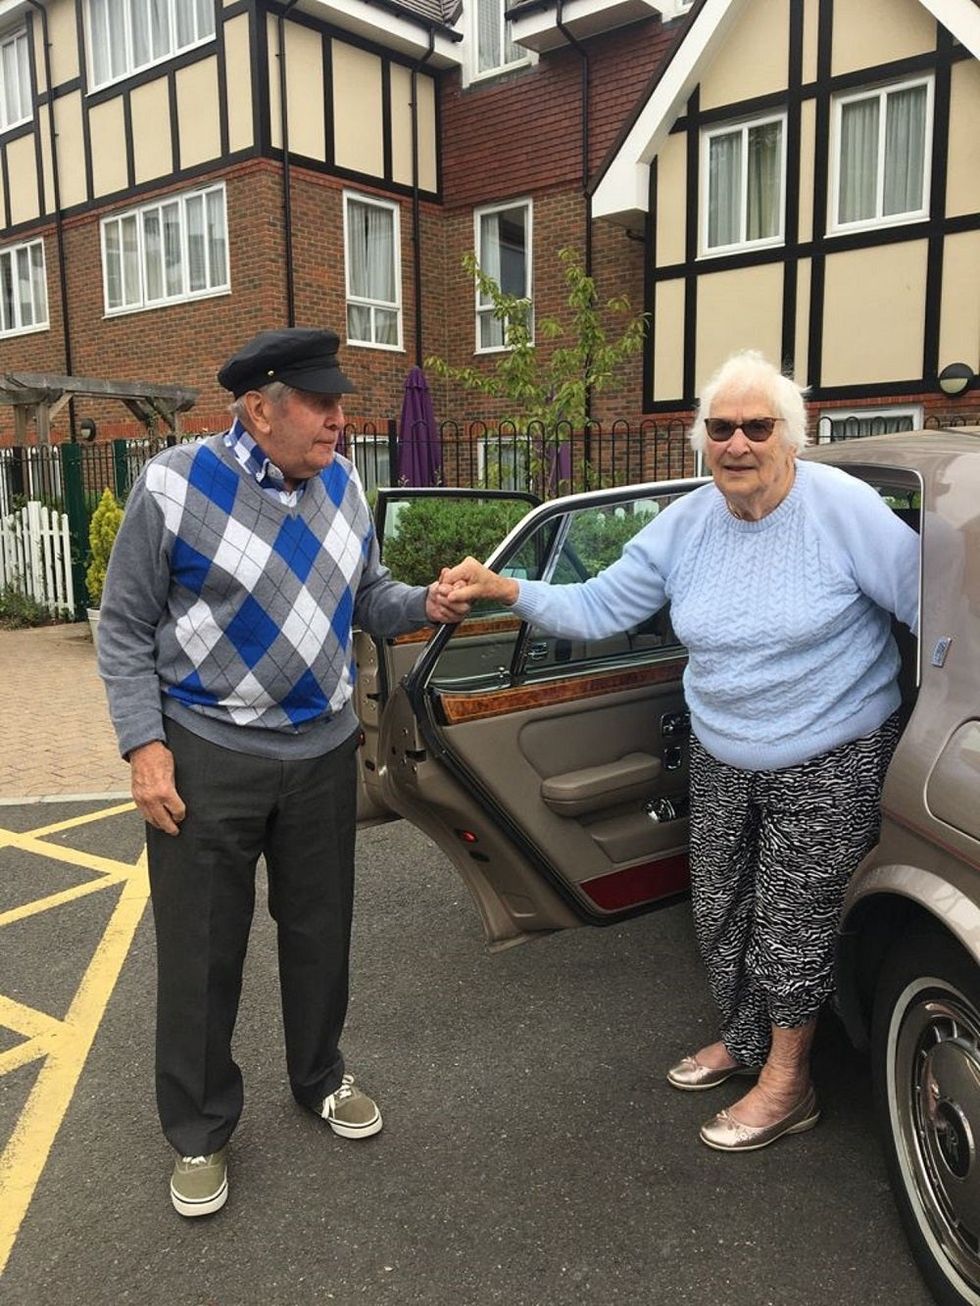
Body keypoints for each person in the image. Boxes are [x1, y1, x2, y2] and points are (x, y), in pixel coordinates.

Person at [441, 349, 919, 1153]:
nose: (737, 443)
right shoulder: (690, 521)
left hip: (831, 749)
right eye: (720, 427)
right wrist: (504, 589)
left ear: (791, 436)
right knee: (722, 903)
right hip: (724, 748)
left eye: (757, 427)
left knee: (792, 921)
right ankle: (745, 1038)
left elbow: (929, 603)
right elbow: (599, 606)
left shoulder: (843, 509)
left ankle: (789, 1081)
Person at [97, 327, 467, 1216]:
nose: (342, 420)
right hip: (206, 753)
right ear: (260, 409)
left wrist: (425, 602)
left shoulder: (343, 484)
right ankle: (198, 1131)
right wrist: (145, 750)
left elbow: (365, 595)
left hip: (320, 749)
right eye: (323, 404)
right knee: (200, 954)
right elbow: (121, 628)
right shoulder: (175, 484)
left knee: (319, 932)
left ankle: (319, 1076)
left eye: (342, 403)